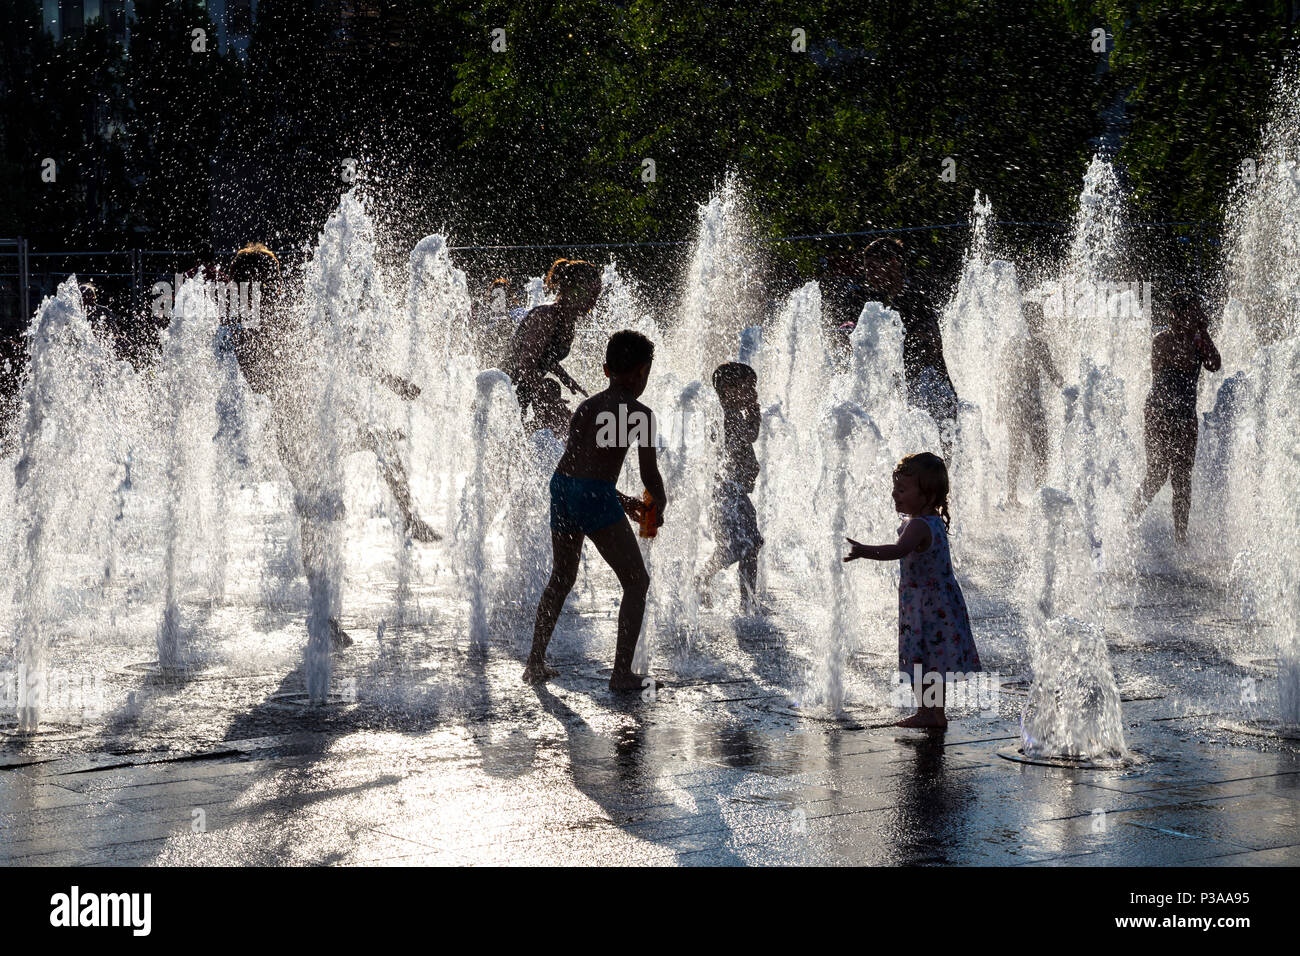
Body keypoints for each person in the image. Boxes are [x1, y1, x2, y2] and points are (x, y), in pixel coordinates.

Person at [223, 243, 441, 647]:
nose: (281, 286)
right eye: (273, 278)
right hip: (296, 431)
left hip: (309, 426)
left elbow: (340, 360)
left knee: (329, 503)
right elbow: (269, 379)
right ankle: (322, 615)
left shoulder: (265, 323)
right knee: (317, 515)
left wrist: (389, 383)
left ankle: (407, 517)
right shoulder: (252, 327)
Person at [523, 330, 667, 691]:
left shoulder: (588, 407)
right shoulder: (640, 415)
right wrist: (657, 505)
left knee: (562, 577)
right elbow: (649, 476)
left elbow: (581, 473)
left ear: (606, 369)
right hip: (592, 494)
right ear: (642, 372)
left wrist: (624, 502)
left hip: (563, 488)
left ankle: (534, 663)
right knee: (637, 581)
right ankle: (620, 675)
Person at [844, 452, 980, 730]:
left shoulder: (918, 525)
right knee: (931, 661)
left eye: (903, 489)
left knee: (922, 659)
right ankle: (933, 712)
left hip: (925, 608)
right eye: (895, 488)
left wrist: (863, 551)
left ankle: (927, 712)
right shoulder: (930, 521)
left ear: (927, 495)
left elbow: (898, 550)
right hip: (936, 603)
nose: (895, 494)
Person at [1131, 290, 1222, 544]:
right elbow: (1177, 363)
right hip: (1159, 413)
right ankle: (1129, 520)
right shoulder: (1162, 340)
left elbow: (1215, 364)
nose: (1196, 317)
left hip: (1185, 416)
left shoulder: (1198, 340)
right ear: (1175, 315)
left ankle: (1180, 538)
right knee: (1157, 474)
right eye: (1191, 312)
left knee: (1182, 478)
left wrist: (1202, 333)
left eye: (1197, 312)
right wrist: (1197, 335)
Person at [861, 238, 959, 452]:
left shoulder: (913, 298)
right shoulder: (894, 302)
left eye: (873, 268)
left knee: (934, 469)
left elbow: (933, 343)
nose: (868, 276)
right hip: (921, 398)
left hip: (933, 398)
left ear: (893, 262)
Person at [695, 362, 763, 613]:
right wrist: (755, 414)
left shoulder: (728, 414)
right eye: (749, 388)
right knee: (746, 545)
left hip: (731, 493)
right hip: (728, 494)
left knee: (742, 546)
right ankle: (746, 603)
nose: (754, 394)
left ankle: (708, 581)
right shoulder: (726, 416)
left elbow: (747, 438)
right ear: (728, 389)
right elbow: (748, 437)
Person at [505, 259, 599, 418]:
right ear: (569, 289)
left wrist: (565, 378)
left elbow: (544, 356)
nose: (593, 302)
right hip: (506, 393)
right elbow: (526, 365)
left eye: (596, 295)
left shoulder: (568, 321)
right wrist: (549, 398)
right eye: (587, 293)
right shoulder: (546, 317)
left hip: (526, 388)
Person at [1003, 299, 1063, 506]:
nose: (1042, 321)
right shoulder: (1036, 345)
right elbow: (1055, 376)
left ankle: (1013, 496)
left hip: (1015, 405)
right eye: (1039, 317)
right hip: (1030, 405)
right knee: (1039, 450)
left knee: (1017, 450)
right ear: (1031, 319)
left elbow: (1001, 379)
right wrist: (1070, 390)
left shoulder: (1014, 344)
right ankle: (1034, 495)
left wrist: (999, 407)